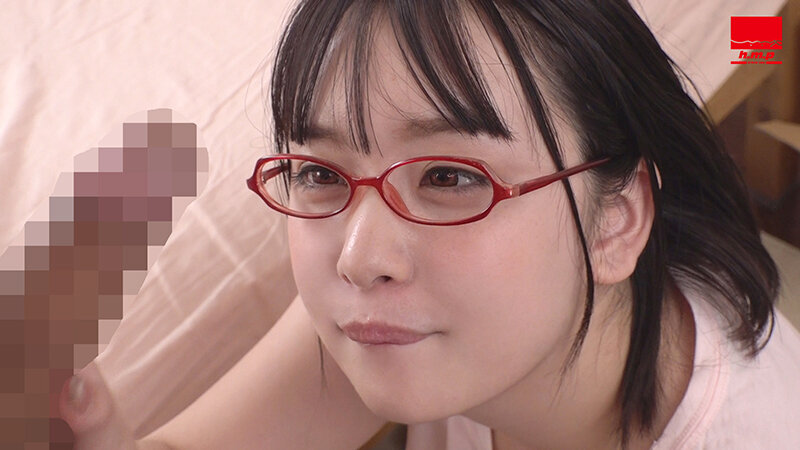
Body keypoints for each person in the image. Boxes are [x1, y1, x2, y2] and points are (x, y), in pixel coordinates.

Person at [60, 0, 800, 448]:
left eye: (449, 178)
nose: (358, 257)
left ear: (616, 220)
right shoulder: (383, 318)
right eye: (319, 174)